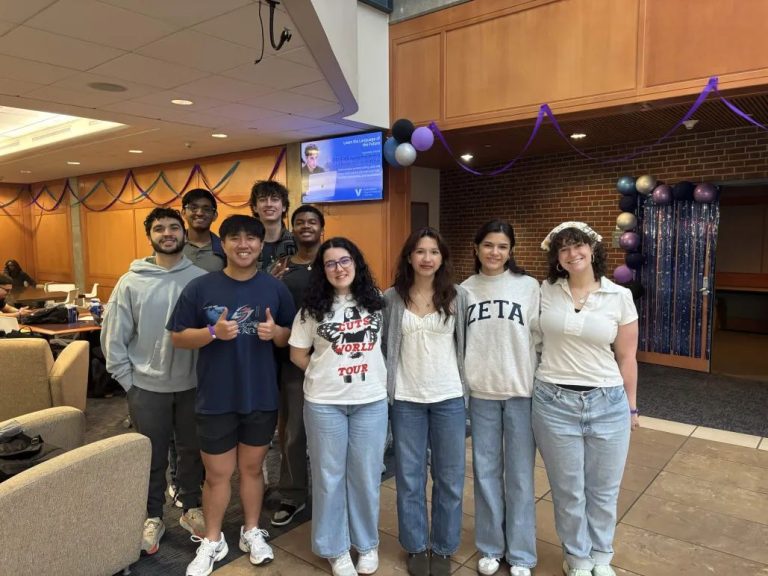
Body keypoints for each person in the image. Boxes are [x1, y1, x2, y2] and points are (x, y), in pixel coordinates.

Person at [168, 214, 296, 576]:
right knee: (218, 474)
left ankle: (251, 531)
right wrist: (212, 332)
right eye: (235, 238)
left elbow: (292, 335)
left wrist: (278, 334)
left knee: (253, 469)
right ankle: (213, 539)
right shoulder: (200, 287)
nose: (244, 244)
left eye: (251, 238)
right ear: (222, 244)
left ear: (260, 244)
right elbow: (178, 337)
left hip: (260, 396)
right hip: (216, 398)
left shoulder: (274, 288)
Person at [533, 222, 639, 576]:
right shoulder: (545, 291)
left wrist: (631, 406)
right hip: (552, 401)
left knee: (604, 490)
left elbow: (627, 357)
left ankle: (601, 555)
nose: (572, 253)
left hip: (608, 402)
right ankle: (577, 556)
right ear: (557, 258)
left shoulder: (619, 296)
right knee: (568, 491)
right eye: (563, 249)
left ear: (593, 250)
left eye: (578, 246)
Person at [100, 207, 207, 555]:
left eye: (173, 227)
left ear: (184, 233)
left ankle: (192, 508)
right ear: (150, 236)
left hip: (192, 385)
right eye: (159, 228)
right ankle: (152, 516)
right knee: (151, 455)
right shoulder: (131, 281)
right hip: (146, 388)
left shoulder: (200, 279)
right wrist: (129, 382)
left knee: (192, 452)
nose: (167, 233)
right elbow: (113, 337)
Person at [289, 237, 387, 576]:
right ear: (322, 270)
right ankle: (335, 548)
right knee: (329, 476)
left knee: (366, 475)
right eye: (330, 263)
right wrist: (325, 372)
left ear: (356, 263)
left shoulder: (376, 303)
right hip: (324, 404)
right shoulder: (311, 310)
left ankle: (367, 542)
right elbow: (298, 354)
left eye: (344, 261)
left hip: (370, 402)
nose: (338, 268)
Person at [383, 227, 469, 576]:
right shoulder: (391, 298)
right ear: (409, 257)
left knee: (449, 477)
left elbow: (467, 345)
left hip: (449, 397)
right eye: (420, 251)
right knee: (410, 477)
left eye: (434, 251)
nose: (427, 258)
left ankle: (445, 546)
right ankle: (416, 546)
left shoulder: (457, 296)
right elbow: (384, 347)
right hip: (406, 399)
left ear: (442, 258)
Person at [461, 220, 540, 576]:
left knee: (521, 476)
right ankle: (491, 547)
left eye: (502, 246)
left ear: (511, 251)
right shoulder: (463, 290)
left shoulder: (528, 286)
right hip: (481, 395)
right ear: (476, 248)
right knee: (486, 473)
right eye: (489, 245)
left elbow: (540, 339)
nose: (495, 252)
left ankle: (522, 553)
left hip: (521, 393)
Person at [271, 205, 325, 528]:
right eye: (300, 222)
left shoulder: (333, 261)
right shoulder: (280, 268)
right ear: (292, 229)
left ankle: (331, 495)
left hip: (331, 361)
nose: (306, 226)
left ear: (322, 227)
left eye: (312, 222)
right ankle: (292, 495)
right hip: (291, 361)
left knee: (331, 434)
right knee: (292, 433)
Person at [249, 180, 295, 272]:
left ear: (284, 207)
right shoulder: (245, 243)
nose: (269, 204)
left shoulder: (296, 243)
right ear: (255, 207)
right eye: (262, 200)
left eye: (275, 199)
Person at [181, 188, 226, 272]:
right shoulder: (172, 245)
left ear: (214, 215)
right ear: (183, 213)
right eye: (193, 208)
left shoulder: (224, 249)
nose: (200, 213)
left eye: (206, 209)